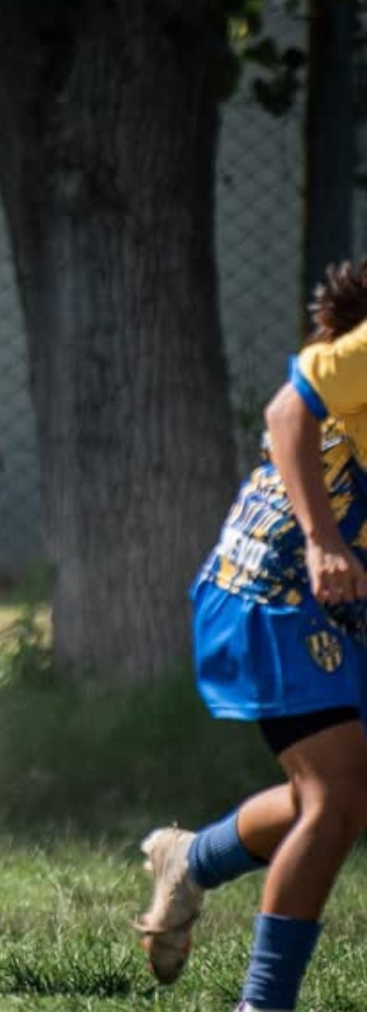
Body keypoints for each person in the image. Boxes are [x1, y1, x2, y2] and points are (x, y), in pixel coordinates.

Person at [133, 260, 367, 1012]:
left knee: (327, 798)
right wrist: (323, 537)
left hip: (329, 598)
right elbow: (285, 413)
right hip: (274, 591)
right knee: (336, 800)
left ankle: (190, 858)